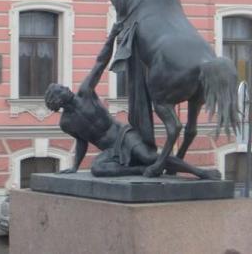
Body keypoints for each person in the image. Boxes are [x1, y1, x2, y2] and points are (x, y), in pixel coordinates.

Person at [45, 23, 220, 179]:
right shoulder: (66, 123)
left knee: (149, 157)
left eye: (62, 86)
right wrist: (75, 166)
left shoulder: (85, 93)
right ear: (56, 100)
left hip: (124, 135)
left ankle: (200, 172)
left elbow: (100, 63)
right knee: (98, 169)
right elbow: (82, 141)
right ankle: (139, 171)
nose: (65, 88)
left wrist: (112, 37)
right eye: (60, 89)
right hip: (110, 150)